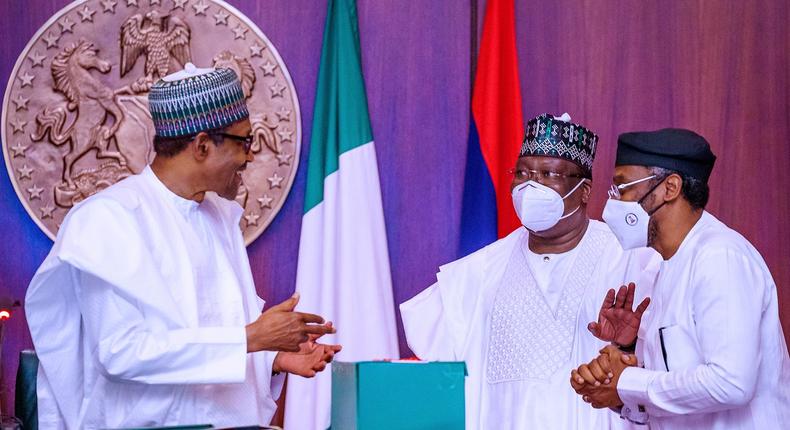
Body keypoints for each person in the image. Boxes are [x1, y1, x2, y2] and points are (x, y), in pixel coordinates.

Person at [25, 64, 341, 429]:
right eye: (244, 141)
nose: (250, 156)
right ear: (203, 145)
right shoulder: (108, 219)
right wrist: (250, 340)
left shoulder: (218, 217)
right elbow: (121, 353)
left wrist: (270, 357)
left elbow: (208, 335)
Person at [400, 113, 659, 429]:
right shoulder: (476, 274)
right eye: (522, 172)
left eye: (549, 174)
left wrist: (627, 344)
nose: (531, 184)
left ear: (584, 190)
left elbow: (664, 369)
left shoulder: (632, 261)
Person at [570, 128, 790, 429]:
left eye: (624, 187)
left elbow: (731, 383)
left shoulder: (719, 257)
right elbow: (678, 392)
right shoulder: (664, 267)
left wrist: (629, 382)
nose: (615, 202)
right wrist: (625, 365)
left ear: (670, 188)